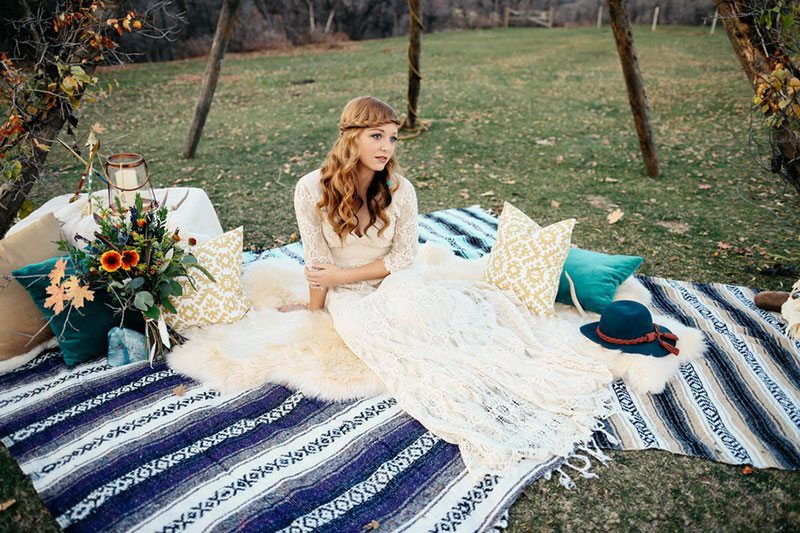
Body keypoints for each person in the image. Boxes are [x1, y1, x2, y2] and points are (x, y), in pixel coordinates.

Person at [291, 96, 615, 474]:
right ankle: (465, 402)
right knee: (375, 335)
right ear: (350, 137)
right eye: (376, 136)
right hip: (346, 292)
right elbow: (318, 263)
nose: (386, 147)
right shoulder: (311, 188)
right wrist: (314, 309)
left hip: (391, 276)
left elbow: (401, 260)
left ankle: (507, 380)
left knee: (424, 320)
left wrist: (338, 277)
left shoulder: (401, 189)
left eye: (393, 138)